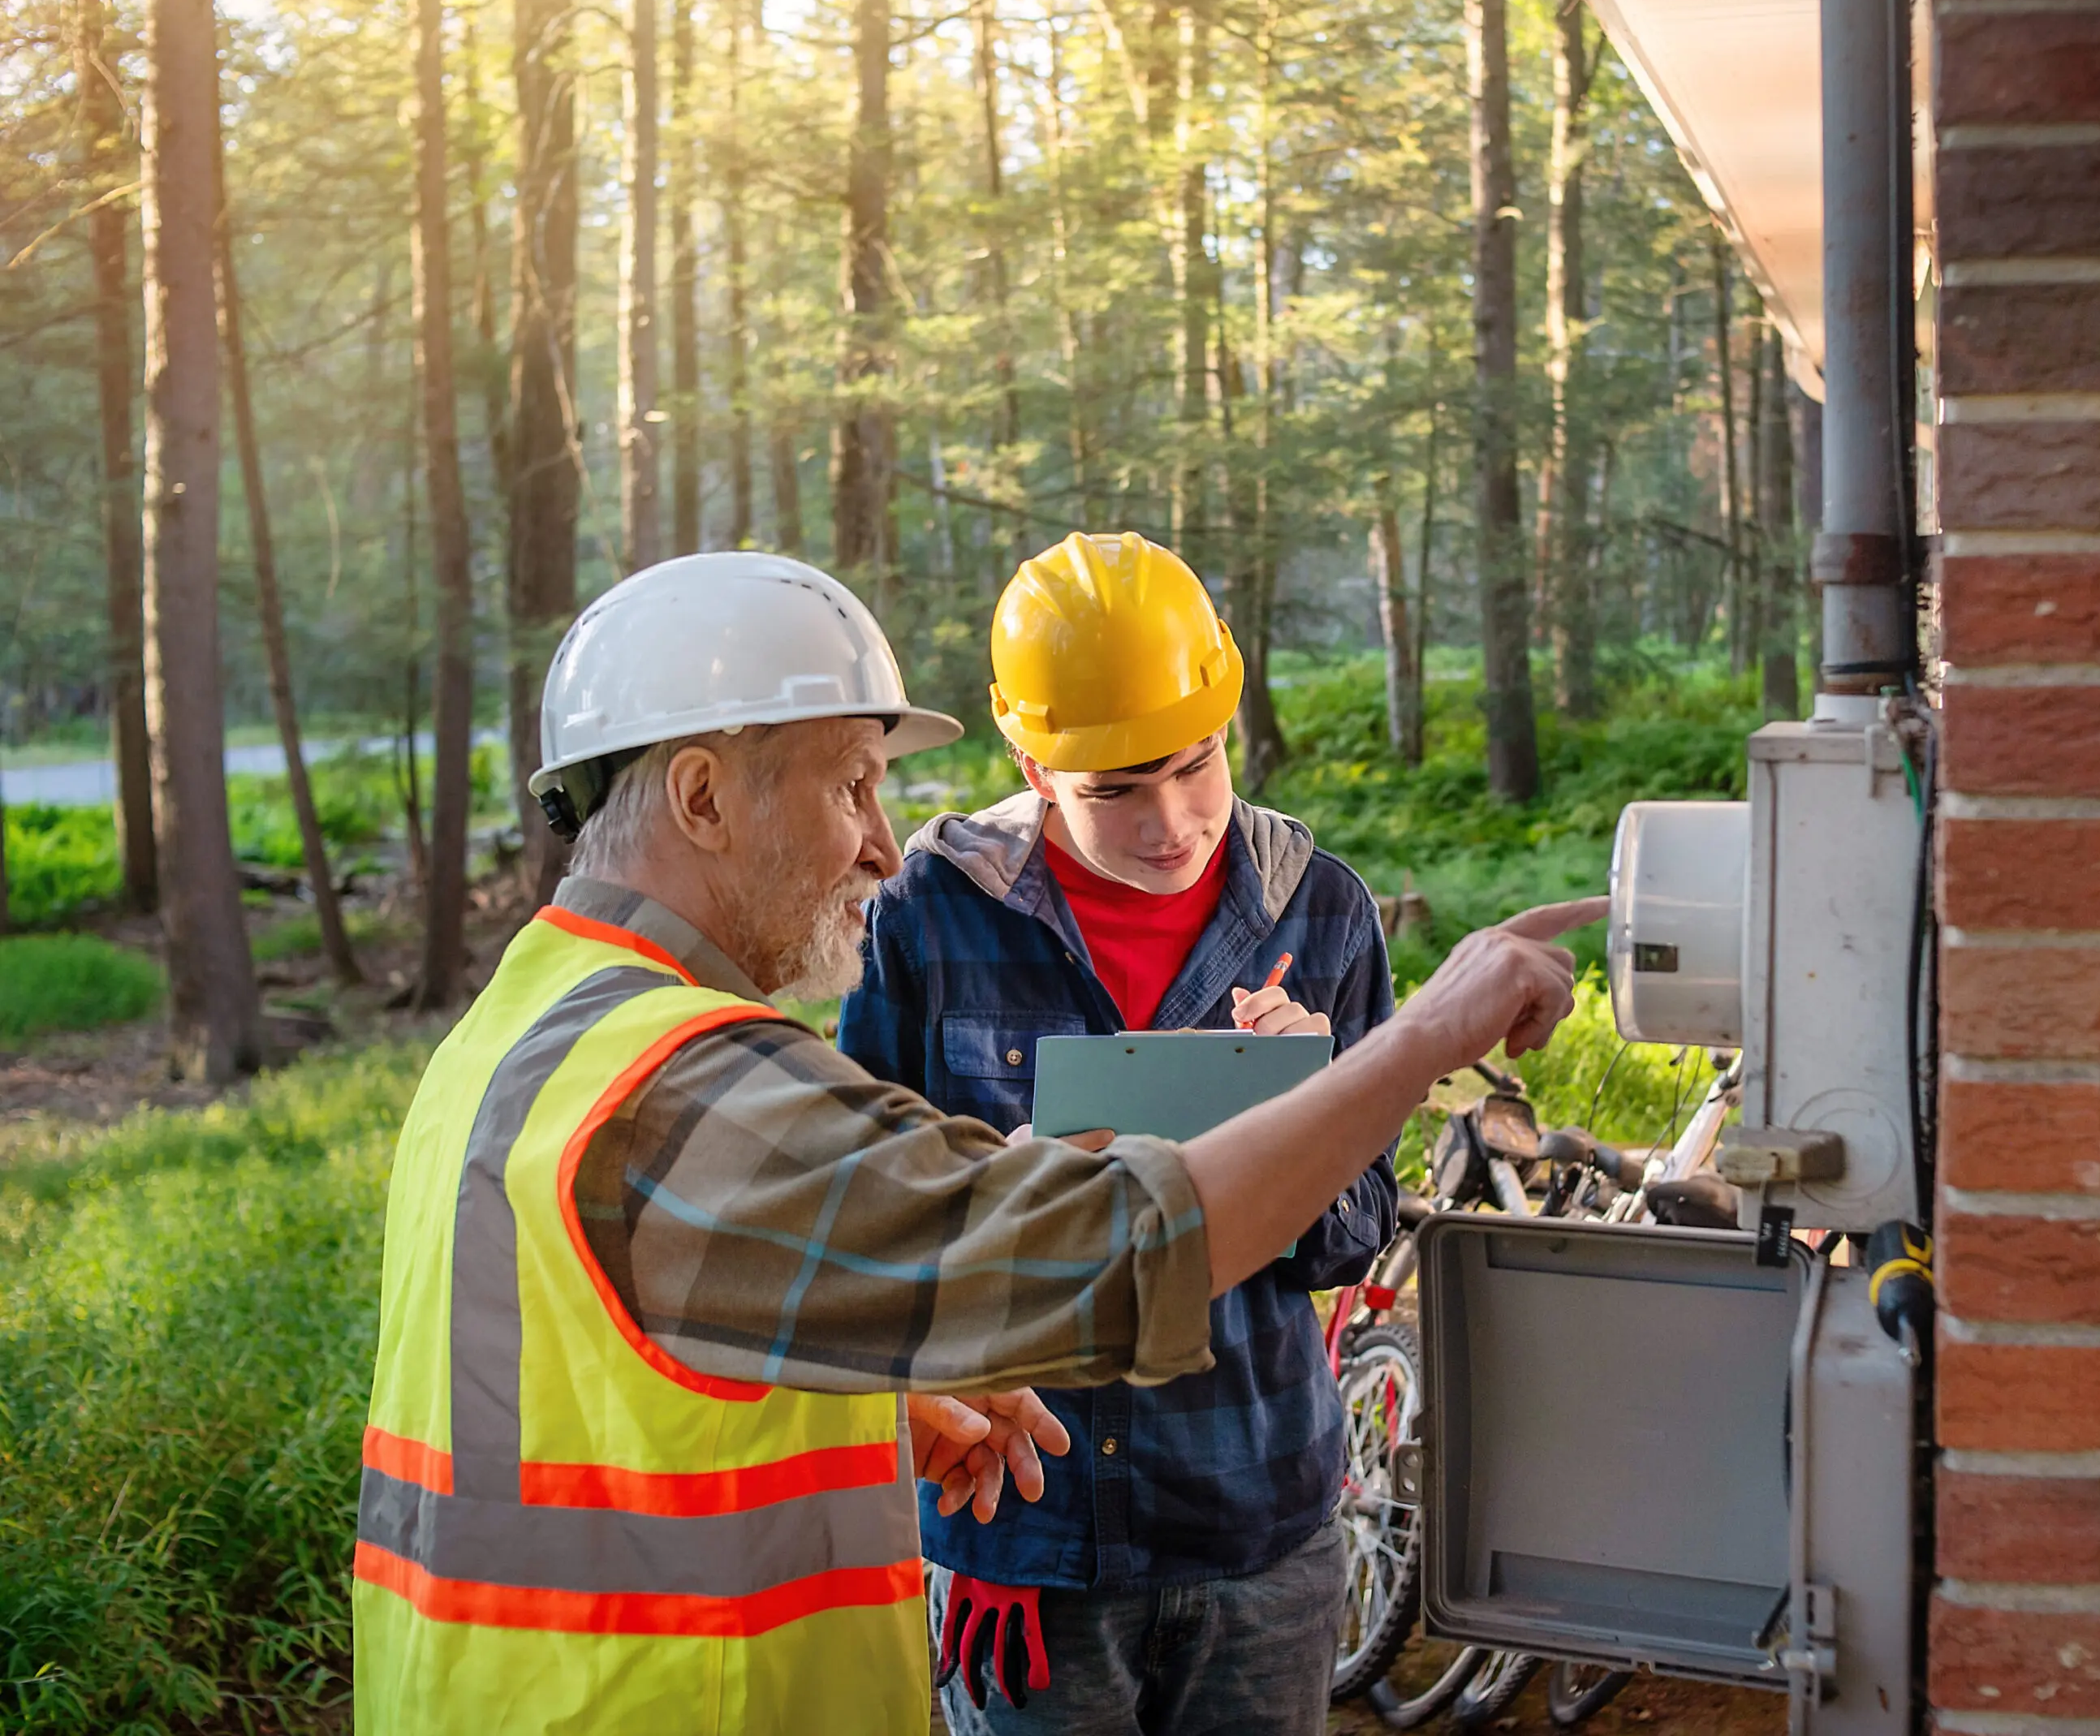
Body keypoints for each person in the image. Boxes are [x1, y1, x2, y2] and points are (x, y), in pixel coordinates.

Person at [351, 550, 1598, 1736]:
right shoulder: (686, 1086)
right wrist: (1425, 1036)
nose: (884, 843)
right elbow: (1110, 1249)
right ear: (699, 797)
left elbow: (627, 1402)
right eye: (851, 785)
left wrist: (874, 1415)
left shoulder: (529, 1026)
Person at [836, 532, 1395, 1736]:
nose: (1172, 823)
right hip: (1025, 1540)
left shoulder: (1322, 909)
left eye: (1198, 767)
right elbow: (862, 1228)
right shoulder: (929, 915)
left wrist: (1311, 1105)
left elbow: (1354, 1244)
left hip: (1256, 1530)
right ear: (1031, 760)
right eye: (1115, 790)